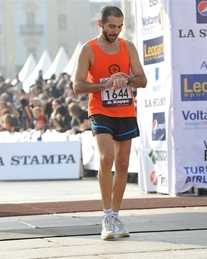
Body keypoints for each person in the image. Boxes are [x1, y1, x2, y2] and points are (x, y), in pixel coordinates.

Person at [73, 5, 147, 240]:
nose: (115, 31)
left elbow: (142, 80)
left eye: (119, 27)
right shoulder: (89, 49)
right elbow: (78, 86)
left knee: (123, 164)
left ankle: (115, 215)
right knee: (106, 159)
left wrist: (126, 78)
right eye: (111, 26)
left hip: (125, 111)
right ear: (100, 24)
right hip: (100, 110)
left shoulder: (128, 47)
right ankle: (106, 216)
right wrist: (105, 84)